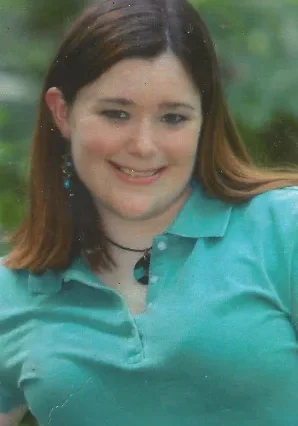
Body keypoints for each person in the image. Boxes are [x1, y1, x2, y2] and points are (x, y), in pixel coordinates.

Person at [1, 0, 298, 425]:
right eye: (116, 113)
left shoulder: (284, 230)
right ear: (62, 112)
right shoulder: (10, 291)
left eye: (173, 118)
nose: (143, 145)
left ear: (204, 118)